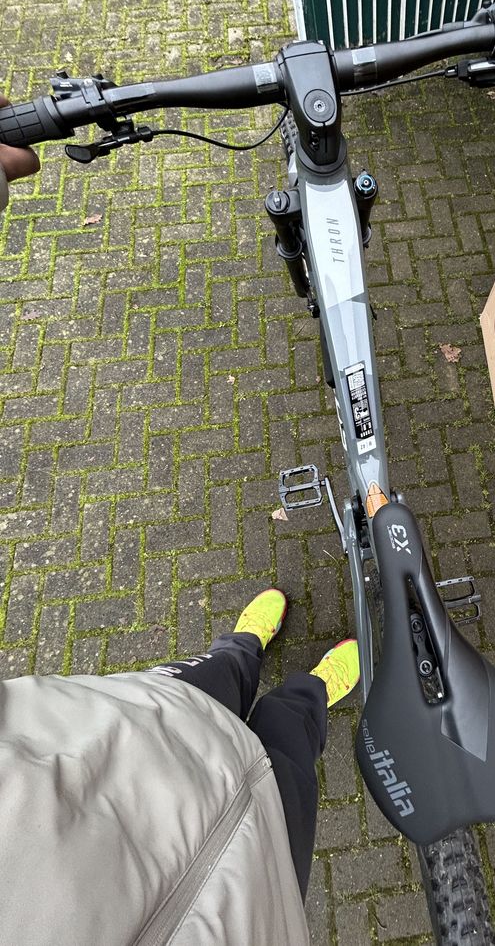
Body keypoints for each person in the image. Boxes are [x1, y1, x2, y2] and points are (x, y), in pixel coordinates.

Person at [0, 109, 361, 944]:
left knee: (214, 678)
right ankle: (307, 691)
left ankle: (240, 650)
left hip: (123, 749)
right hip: (258, 889)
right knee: (292, 735)